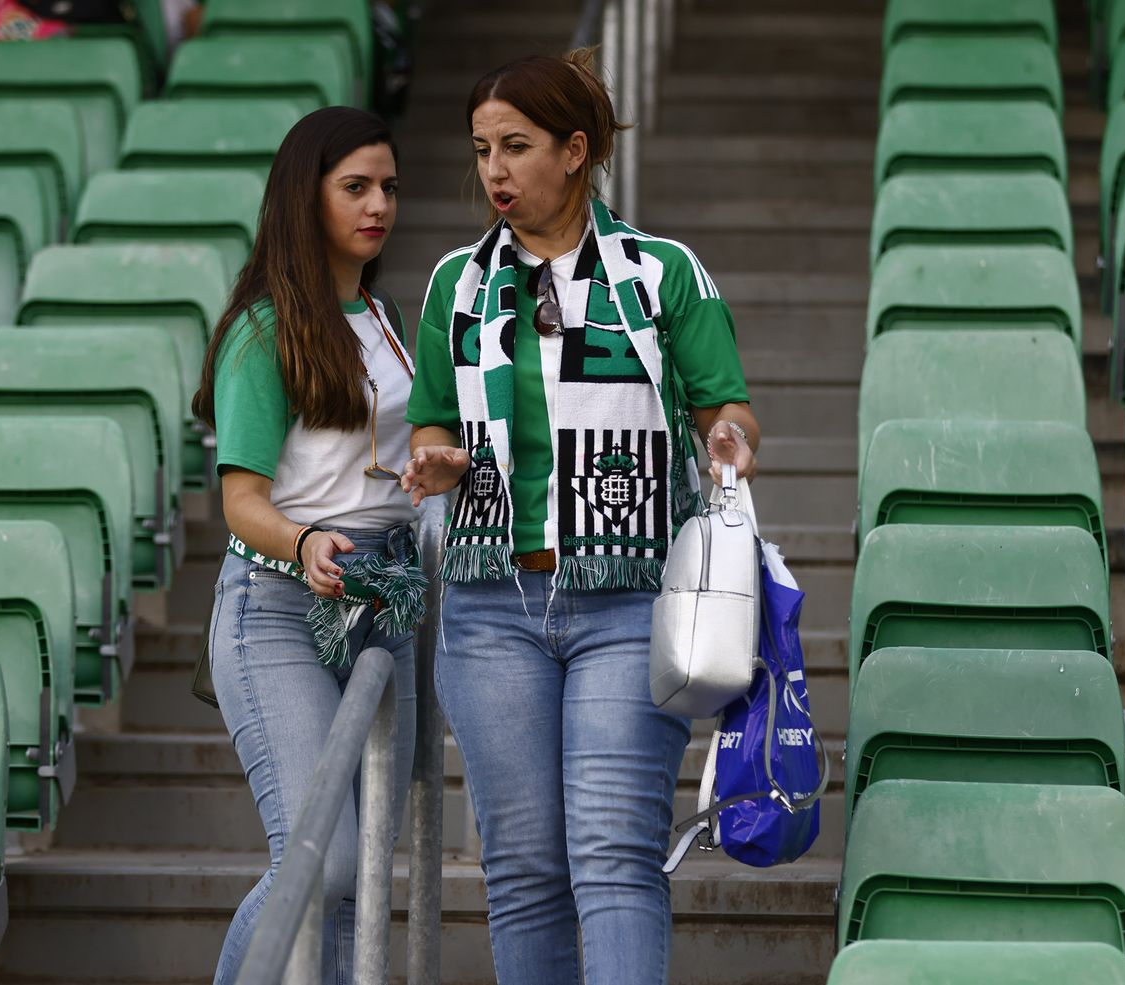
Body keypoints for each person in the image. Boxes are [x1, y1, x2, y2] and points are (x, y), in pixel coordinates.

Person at [401, 49, 760, 985]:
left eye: (516, 147)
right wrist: (436, 455)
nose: (495, 171)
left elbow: (724, 404)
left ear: (576, 150)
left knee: (611, 854)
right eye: (481, 149)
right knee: (522, 869)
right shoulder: (456, 283)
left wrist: (726, 440)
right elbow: (433, 414)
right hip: (487, 606)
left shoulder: (660, 271)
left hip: (627, 600)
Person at [193, 106, 421, 985]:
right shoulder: (263, 327)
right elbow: (241, 501)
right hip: (280, 606)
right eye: (355, 186)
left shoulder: (388, 312)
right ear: (305, 196)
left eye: (389, 187)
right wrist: (306, 540)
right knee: (319, 861)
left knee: (360, 877)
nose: (378, 205)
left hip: (384, 604)